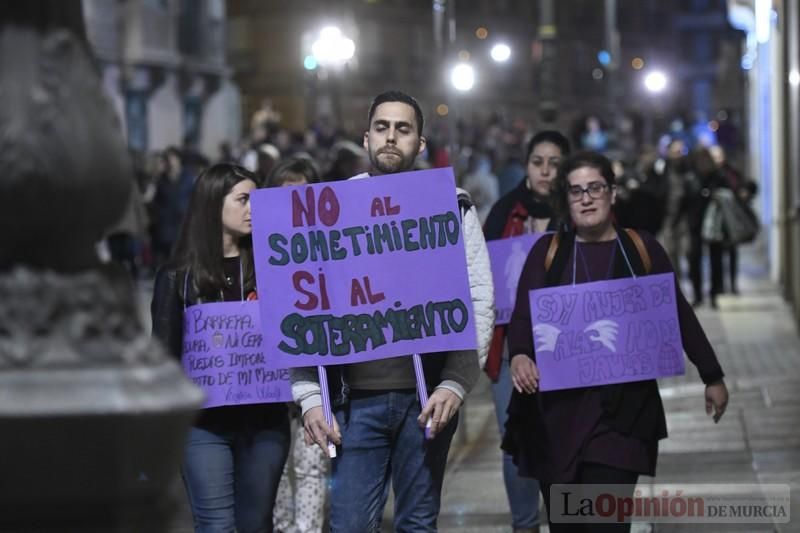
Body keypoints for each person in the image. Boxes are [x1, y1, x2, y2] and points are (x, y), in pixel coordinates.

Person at [291, 90, 494, 532]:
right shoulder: (329, 211)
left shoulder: (452, 204)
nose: (390, 137)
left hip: (426, 402)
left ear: (420, 143)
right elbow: (303, 309)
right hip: (352, 404)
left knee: (417, 524)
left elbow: (479, 298)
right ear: (366, 138)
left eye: (403, 129)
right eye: (382, 127)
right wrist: (309, 397)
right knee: (347, 525)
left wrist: (456, 386)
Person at [502, 151, 729, 532]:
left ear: (612, 192)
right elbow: (524, 316)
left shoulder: (642, 249)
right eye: (576, 191)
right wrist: (521, 356)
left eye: (594, 188)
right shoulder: (548, 252)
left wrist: (713, 376)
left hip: (621, 419)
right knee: (568, 525)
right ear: (567, 199)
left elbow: (677, 312)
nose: (586, 198)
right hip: (556, 420)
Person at [151, 163, 290, 532]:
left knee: (256, 524)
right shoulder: (177, 278)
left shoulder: (275, 265)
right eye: (244, 199)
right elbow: (163, 357)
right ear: (213, 204)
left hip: (265, 423)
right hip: (203, 428)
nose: (253, 208)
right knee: (216, 526)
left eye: (257, 199)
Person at [482, 129, 571, 533]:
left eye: (554, 164)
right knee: (515, 438)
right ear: (527, 164)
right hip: (509, 346)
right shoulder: (504, 213)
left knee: (565, 435)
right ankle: (525, 524)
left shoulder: (578, 210)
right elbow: (483, 276)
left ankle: (567, 521)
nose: (546, 172)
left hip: (568, 346)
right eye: (538, 162)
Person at [267, 157, 330, 533]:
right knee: (272, 467)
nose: (293, 203)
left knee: (312, 464)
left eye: (303, 195)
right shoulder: (253, 251)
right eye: (284, 195)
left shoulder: (330, 247)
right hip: (267, 381)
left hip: (315, 375)